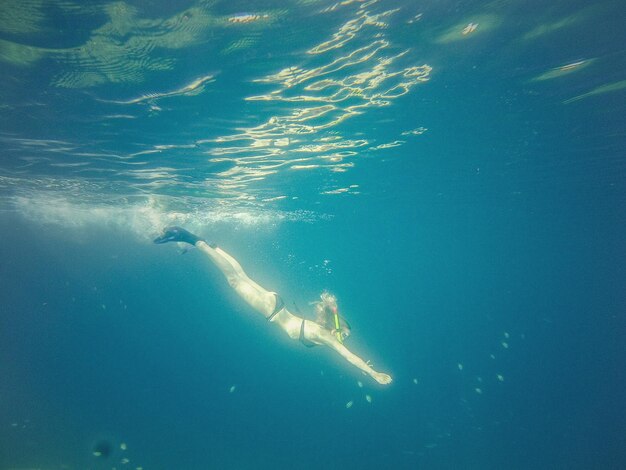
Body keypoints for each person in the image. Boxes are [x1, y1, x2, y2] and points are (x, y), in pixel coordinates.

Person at [154, 226, 392, 385]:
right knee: (234, 279)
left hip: (275, 304)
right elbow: (348, 356)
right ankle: (189, 238)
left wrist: (336, 319)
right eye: (344, 335)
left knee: (240, 275)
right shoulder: (324, 335)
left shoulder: (321, 331)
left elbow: (340, 334)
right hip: (271, 310)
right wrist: (373, 374)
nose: (344, 339)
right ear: (336, 330)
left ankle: (209, 244)